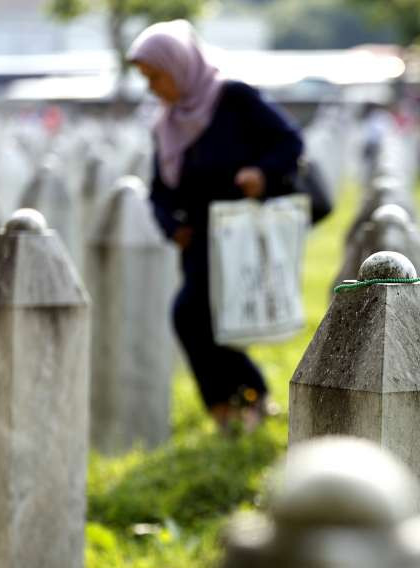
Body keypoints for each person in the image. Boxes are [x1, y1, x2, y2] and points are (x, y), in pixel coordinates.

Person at [128, 20, 304, 432]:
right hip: (197, 240)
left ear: (180, 65)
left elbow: (289, 142)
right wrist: (170, 225)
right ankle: (235, 404)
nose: (152, 87)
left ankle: (244, 398)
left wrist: (261, 173)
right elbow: (159, 190)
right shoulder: (167, 125)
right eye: (146, 78)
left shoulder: (233, 98)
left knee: (193, 315)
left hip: (240, 233)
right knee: (201, 320)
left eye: (156, 76)